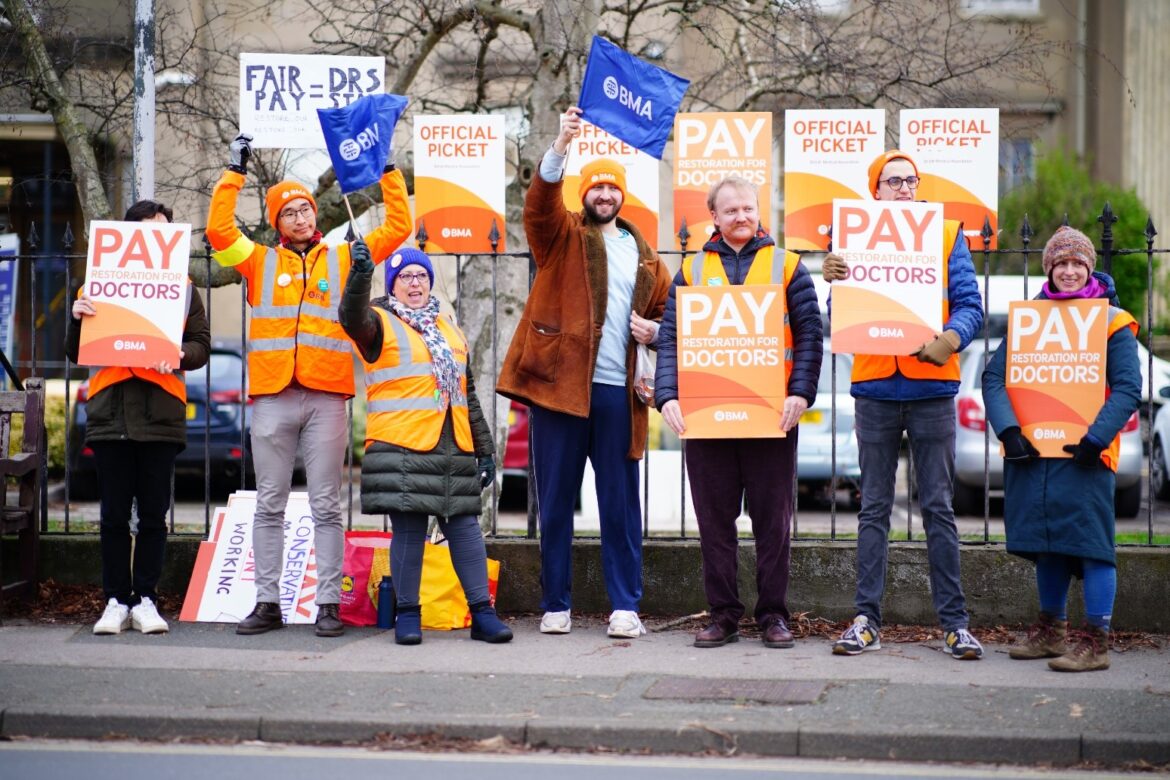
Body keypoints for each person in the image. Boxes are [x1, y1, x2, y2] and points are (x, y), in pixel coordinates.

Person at [206, 133, 411, 637]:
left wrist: (386, 168)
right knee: (269, 502)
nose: (301, 217)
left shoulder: (346, 256)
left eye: (305, 209)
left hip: (326, 396)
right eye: (290, 212)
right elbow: (216, 230)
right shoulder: (256, 260)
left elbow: (400, 226)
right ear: (277, 222)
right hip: (274, 397)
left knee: (325, 506)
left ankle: (327, 605)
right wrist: (236, 170)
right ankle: (268, 603)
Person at [496, 106, 672, 638]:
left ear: (622, 196)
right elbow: (538, 207)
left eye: (612, 188)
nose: (604, 195)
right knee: (554, 504)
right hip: (559, 392)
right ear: (585, 194)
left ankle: (625, 607)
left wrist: (656, 333)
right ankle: (556, 605)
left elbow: (669, 321)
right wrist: (560, 146)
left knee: (620, 506)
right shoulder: (561, 235)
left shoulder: (648, 259)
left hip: (620, 395)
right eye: (595, 188)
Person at [822, 149, 986, 660]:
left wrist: (951, 340)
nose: (904, 188)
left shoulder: (944, 232)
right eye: (893, 181)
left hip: (932, 388)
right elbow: (837, 319)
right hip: (874, 387)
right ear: (876, 190)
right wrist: (832, 282)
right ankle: (866, 620)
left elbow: (970, 306)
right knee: (873, 508)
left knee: (938, 507)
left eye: (911, 180)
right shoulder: (852, 235)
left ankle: (955, 625)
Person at [655, 177, 822, 648]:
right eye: (730, 211)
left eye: (747, 208)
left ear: (758, 210)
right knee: (713, 522)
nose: (741, 217)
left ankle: (773, 616)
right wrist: (667, 394)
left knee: (773, 523)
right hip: (708, 417)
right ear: (715, 217)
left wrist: (801, 392)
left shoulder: (788, 266)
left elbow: (811, 334)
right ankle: (723, 615)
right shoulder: (690, 271)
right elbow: (670, 339)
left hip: (773, 416)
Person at [982, 227, 1140, 672]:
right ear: (1049, 268)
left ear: (1090, 268)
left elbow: (1128, 387)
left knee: (1092, 547)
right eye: (1060, 264)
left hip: (1086, 455)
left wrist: (1096, 439)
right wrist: (1009, 432)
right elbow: (994, 378)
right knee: (1046, 543)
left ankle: (1096, 641)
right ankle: (1051, 632)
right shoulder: (1031, 318)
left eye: (1078, 264)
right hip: (1034, 453)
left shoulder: (1110, 320)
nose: (1069, 272)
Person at [339, 242, 511, 645]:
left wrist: (484, 448)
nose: (414, 283)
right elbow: (350, 317)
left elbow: (464, 394)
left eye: (420, 276)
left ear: (429, 282)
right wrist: (361, 275)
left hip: (453, 444)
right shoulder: (377, 323)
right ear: (393, 285)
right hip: (404, 443)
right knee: (410, 529)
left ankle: (483, 614)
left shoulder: (447, 324)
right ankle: (407, 613)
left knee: (466, 527)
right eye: (404, 277)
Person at [66, 199, 211, 635]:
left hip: (161, 414)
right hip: (111, 414)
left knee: (152, 516)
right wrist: (76, 319)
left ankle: (145, 600)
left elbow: (201, 345)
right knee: (112, 516)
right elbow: (75, 352)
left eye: (164, 231)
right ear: (130, 236)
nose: (158, 238)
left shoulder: (184, 287)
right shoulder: (95, 285)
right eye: (149, 230)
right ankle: (115, 600)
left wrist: (180, 353)